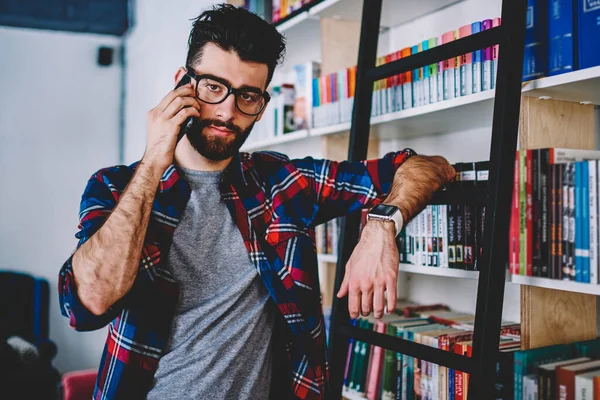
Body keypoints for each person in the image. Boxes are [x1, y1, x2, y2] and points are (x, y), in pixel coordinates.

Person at [57, 4, 455, 399]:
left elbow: (428, 166)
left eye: (247, 96)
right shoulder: (115, 186)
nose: (228, 112)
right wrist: (152, 162)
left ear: (262, 105)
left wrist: (383, 224)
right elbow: (87, 304)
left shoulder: (280, 183)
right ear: (182, 84)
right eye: (213, 87)